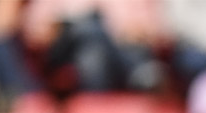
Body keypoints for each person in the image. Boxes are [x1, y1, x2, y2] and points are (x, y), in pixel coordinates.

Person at [22, 0, 165, 93]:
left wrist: (135, 32)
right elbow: (34, 33)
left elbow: (154, 31)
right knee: (89, 26)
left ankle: (97, 101)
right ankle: (138, 69)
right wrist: (55, 28)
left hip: (114, 52)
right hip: (66, 49)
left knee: (93, 48)